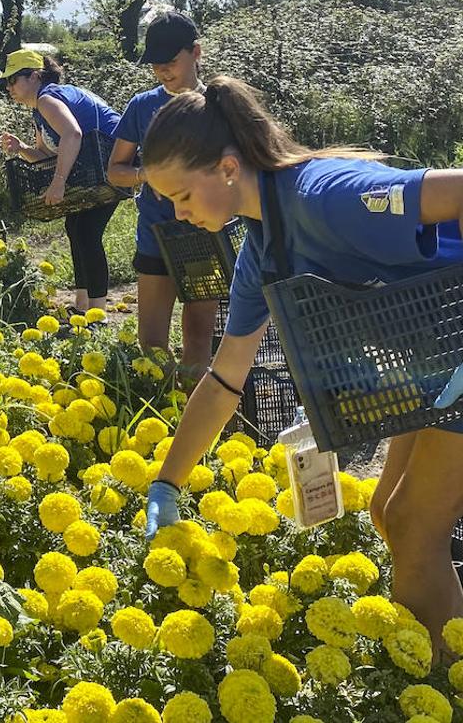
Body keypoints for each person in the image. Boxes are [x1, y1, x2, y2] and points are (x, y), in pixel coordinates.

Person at [140, 75, 463, 655]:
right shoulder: (266, 247)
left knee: (417, 529)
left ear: (228, 167)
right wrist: (167, 483)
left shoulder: (327, 195)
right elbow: (225, 378)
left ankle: (446, 682)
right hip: (438, 368)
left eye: (182, 196)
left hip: (457, 353)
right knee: (389, 515)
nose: (179, 214)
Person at [106, 11, 218, 373]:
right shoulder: (141, 106)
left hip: (206, 235)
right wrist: (147, 174)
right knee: (151, 343)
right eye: (156, 65)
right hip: (156, 235)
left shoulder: (219, 103)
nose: (163, 72)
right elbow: (116, 172)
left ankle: (195, 413)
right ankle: (163, 411)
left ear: (196, 52)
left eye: (171, 62)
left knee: (199, 337)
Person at [0, 49, 123, 313]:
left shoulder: (48, 99)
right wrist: (21, 148)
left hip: (115, 163)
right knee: (75, 228)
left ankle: (97, 316)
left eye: (13, 80)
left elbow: (73, 135)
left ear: (34, 76)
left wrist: (59, 181)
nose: (8, 87)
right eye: (6, 81)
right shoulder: (39, 110)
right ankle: (82, 305)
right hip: (96, 169)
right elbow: (44, 154)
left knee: (87, 233)